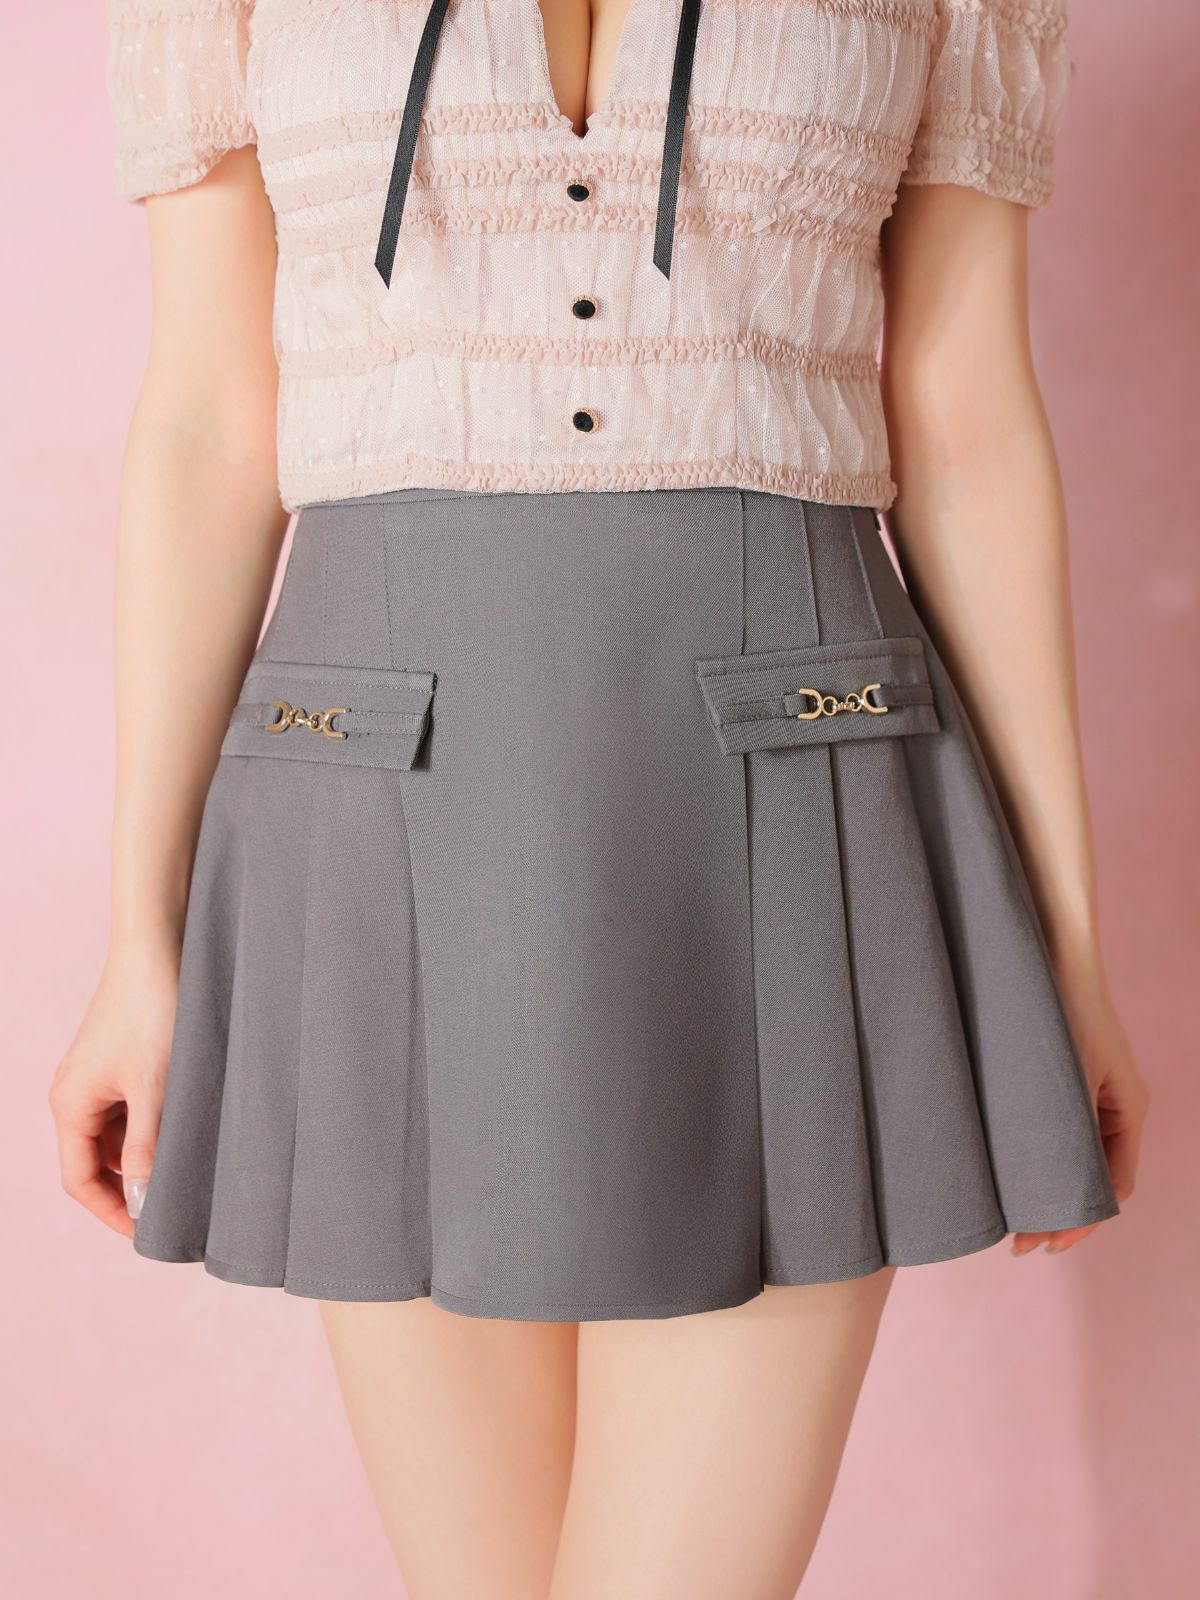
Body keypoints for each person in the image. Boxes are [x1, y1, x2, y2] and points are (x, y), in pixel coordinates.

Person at [51, 1, 1148, 1593]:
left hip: (800, 783)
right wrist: (137, 941)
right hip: (374, 808)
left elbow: (965, 420)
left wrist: (1069, 939)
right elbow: (209, 426)